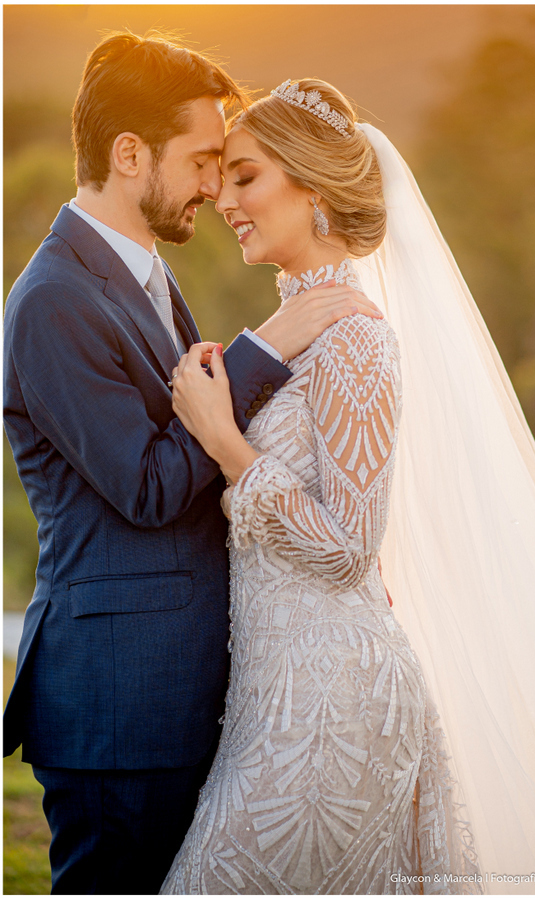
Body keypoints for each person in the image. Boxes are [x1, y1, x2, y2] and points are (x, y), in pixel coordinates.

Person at [161, 79, 535, 895]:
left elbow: (349, 547)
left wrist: (223, 442)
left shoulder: (357, 340)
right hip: (276, 698)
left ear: (313, 189)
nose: (223, 196)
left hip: (336, 714)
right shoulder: (298, 338)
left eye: (246, 175)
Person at [2, 37, 382, 894]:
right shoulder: (54, 299)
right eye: (204, 162)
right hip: (120, 709)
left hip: (180, 696)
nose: (216, 188)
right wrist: (264, 347)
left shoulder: (145, 276)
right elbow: (149, 485)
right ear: (129, 154)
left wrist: (323, 542)